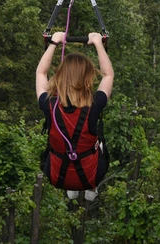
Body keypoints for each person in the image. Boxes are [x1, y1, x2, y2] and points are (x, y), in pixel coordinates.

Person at [36, 32, 114, 201]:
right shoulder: (95, 103)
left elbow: (41, 73)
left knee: (57, 147)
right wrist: (98, 43)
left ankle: (70, 187)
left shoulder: (48, 103)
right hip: (92, 175)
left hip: (56, 176)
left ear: (60, 75)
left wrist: (54, 43)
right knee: (98, 142)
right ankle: (90, 188)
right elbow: (108, 75)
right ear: (87, 78)